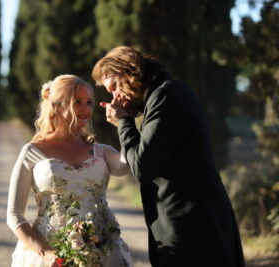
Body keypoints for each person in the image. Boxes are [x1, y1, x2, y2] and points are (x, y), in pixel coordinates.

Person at [92, 46, 245, 267]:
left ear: (129, 70)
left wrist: (123, 122)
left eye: (114, 86)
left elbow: (142, 167)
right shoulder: (159, 98)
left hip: (195, 225)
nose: (115, 96)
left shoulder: (166, 95)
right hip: (183, 222)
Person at [6, 74, 134, 267]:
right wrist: (46, 253)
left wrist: (124, 121)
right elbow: (14, 214)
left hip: (101, 254)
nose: (86, 109)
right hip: (52, 255)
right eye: (78, 102)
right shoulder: (32, 152)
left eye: (89, 102)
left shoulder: (102, 152)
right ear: (57, 105)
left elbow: (128, 164)